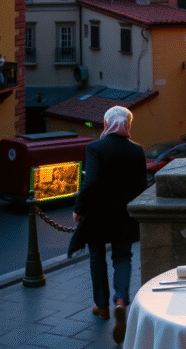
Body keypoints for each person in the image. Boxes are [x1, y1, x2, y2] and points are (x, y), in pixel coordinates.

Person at [70, 106, 147, 345]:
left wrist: (79, 209)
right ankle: (121, 300)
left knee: (97, 257)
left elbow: (90, 182)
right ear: (128, 125)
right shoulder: (137, 150)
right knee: (123, 257)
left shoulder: (94, 148)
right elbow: (141, 186)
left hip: (98, 215)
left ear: (106, 124)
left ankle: (102, 306)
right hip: (124, 215)